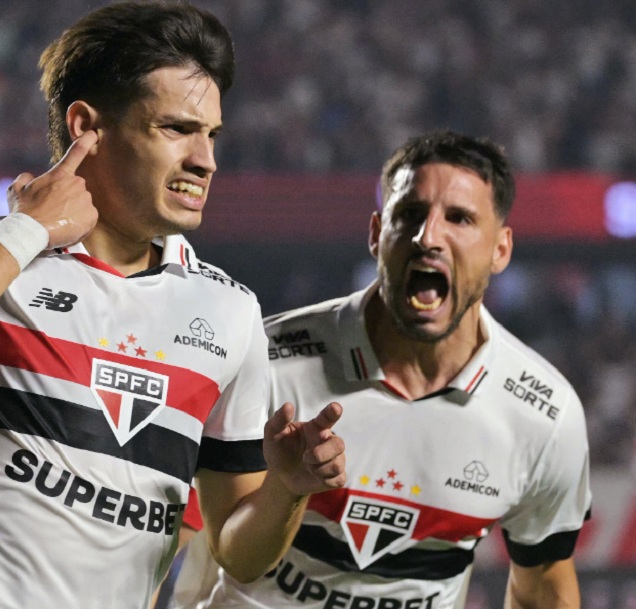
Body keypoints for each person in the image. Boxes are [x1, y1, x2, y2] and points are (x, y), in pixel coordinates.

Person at [0, 2, 346, 608]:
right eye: (176, 129)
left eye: (211, 134)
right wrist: (27, 231)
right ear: (87, 126)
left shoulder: (229, 311)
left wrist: (287, 492)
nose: (205, 159)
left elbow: (238, 552)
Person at [170, 130, 591, 609]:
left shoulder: (546, 415)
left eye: (459, 218)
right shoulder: (266, 358)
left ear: (501, 249)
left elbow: (544, 585)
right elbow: (204, 546)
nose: (428, 237)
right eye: (410, 214)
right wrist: (286, 490)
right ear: (376, 233)